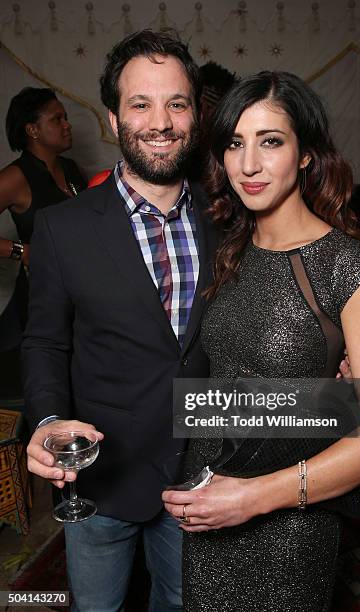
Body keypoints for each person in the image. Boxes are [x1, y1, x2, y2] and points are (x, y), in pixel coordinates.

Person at [162, 71, 360, 611]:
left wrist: (252, 499)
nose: (247, 164)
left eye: (270, 141)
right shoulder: (231, 246)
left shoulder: (343, 265)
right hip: (207, 505)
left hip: (287, 526)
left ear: (305, 154)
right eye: (234, 143)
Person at [22, 30, 216, 612]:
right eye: (141, 104)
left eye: (176, 104)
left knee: (181, 602)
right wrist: (51, 419)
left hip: (201, 478)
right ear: (112, 119)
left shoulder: (231, 215)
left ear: (195, 116)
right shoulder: (63, 228)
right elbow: (45, 343)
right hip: (104, 476)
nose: (161, 122)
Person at [0, 87, 86, 394]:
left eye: (65, 117)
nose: (67, 125)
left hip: (80, 296)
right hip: (41, 299)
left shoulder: (72, 170)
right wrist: (20, 251)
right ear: (32, 130)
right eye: (57, 118)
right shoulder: (16, 177)